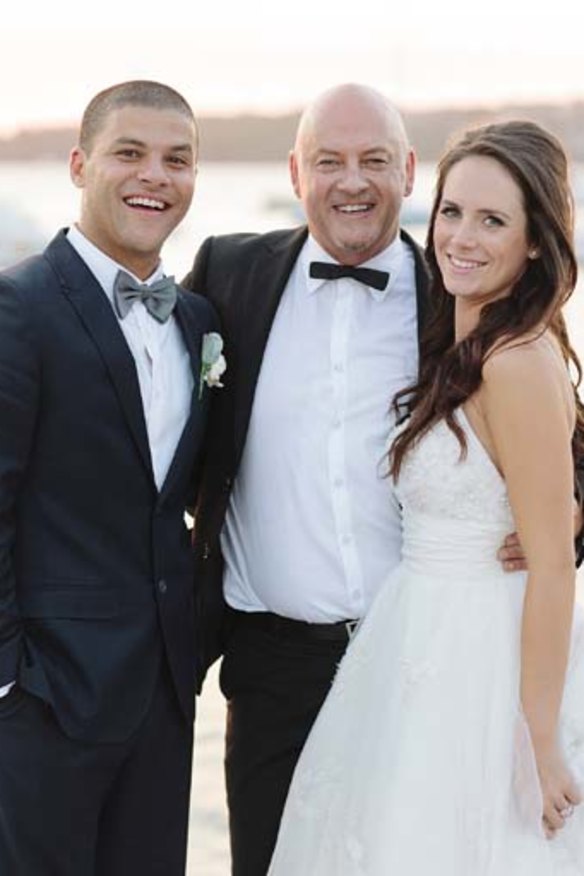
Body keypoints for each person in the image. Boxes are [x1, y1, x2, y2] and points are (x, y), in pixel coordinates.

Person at [184, 85, 549, 875]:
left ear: (411, 171)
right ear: (294, 172)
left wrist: (571, 521)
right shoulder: (229, 273)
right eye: (329, 162)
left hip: (423, 667)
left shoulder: (458, 291)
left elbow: (557, 431)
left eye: (375, 160)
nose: (353, 181)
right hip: (271, 667)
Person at [267, 120, 584, 875]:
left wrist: (537, 739)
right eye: (451, 211)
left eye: (493, 219)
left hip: (484, 656)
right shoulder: (462, 338)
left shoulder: (514, 362)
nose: (462, 237)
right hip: (412, 637)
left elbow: (552, 568)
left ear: (537, 241)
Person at [0, 81, 218, 875]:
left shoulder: (197, 321)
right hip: (44, 704)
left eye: (177, 159)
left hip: (164, 700)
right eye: (130, 153)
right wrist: (11, 685)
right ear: (78, 164)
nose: (154, 175)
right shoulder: (17, 307)